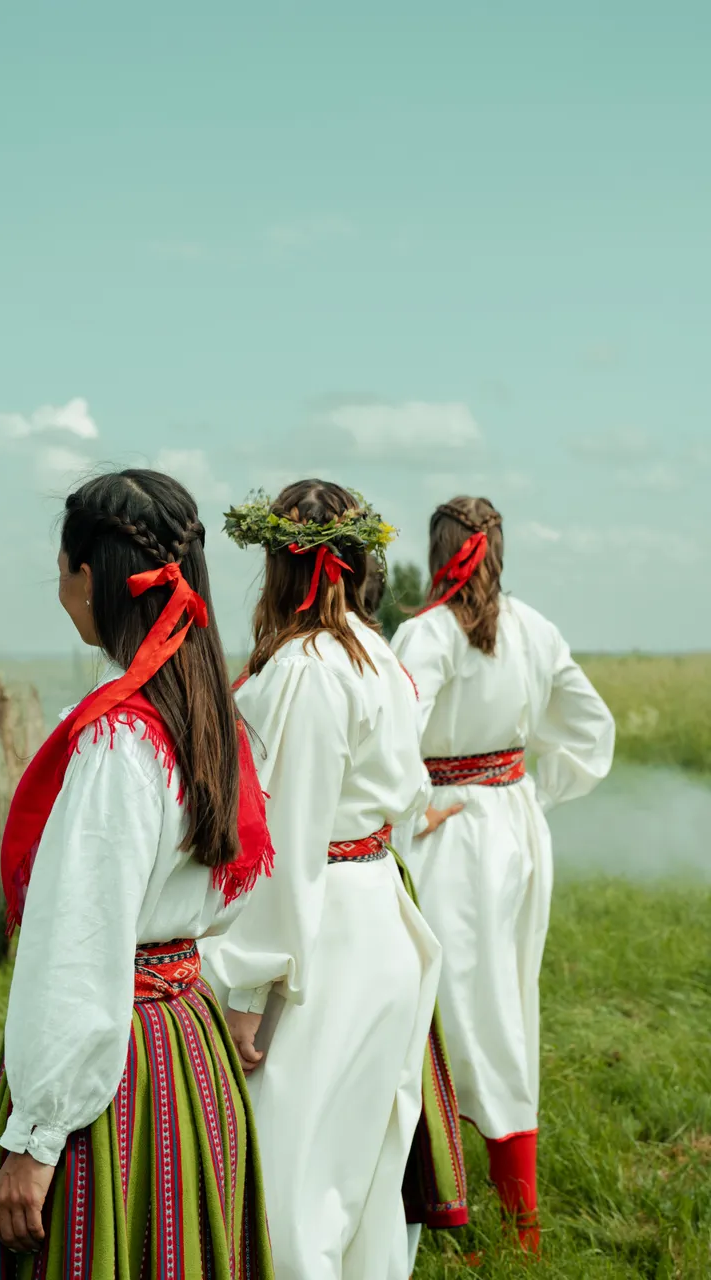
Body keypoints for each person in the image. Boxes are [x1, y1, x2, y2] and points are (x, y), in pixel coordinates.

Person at [0, 469, 276, 1280]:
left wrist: (37, 1139)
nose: (60, 586)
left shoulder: (119, 742)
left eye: (62, 569)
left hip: (113, 1064)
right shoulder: (204, 712)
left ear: (88, 576)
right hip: (184, 1048)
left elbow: (78, 941)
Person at [203, 480, 463, 1280]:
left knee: (295, 1180)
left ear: (281, 564)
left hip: (321, 947)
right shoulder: (376, 651)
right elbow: (407, 793)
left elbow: (290, 840)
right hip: (373, 913)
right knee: (358, 1175)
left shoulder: (310, 667)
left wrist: (249, 995)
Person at [391, 496, 615, 1255]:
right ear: (497, 551)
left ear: (438, 550)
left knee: (447, 1013)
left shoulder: (426, 633)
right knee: (506, 1004)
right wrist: (526, 792)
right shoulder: (534, 627)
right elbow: (592, 730)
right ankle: (520, 1217)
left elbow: (388, 739)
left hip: (453, 836)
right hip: (516, 829)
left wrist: (416, 808)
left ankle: (456, 1217)